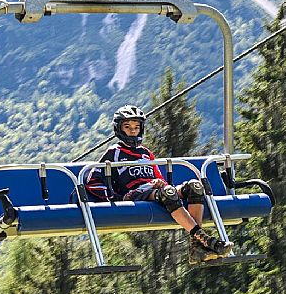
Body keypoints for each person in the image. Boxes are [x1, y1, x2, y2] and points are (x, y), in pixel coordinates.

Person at [85, 105, 232, 263]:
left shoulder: (146, 153)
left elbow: (158, 178)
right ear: (119, 129)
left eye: (136, 127)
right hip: (135, 194)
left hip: (154, 191)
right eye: (127, 127)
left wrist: (160, 183)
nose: (133, 131)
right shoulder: (114, 152)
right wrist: (114, 197)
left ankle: (196, 248)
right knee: (168, 193)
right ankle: (206, 240)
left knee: (195, 187)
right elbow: (92, 179)